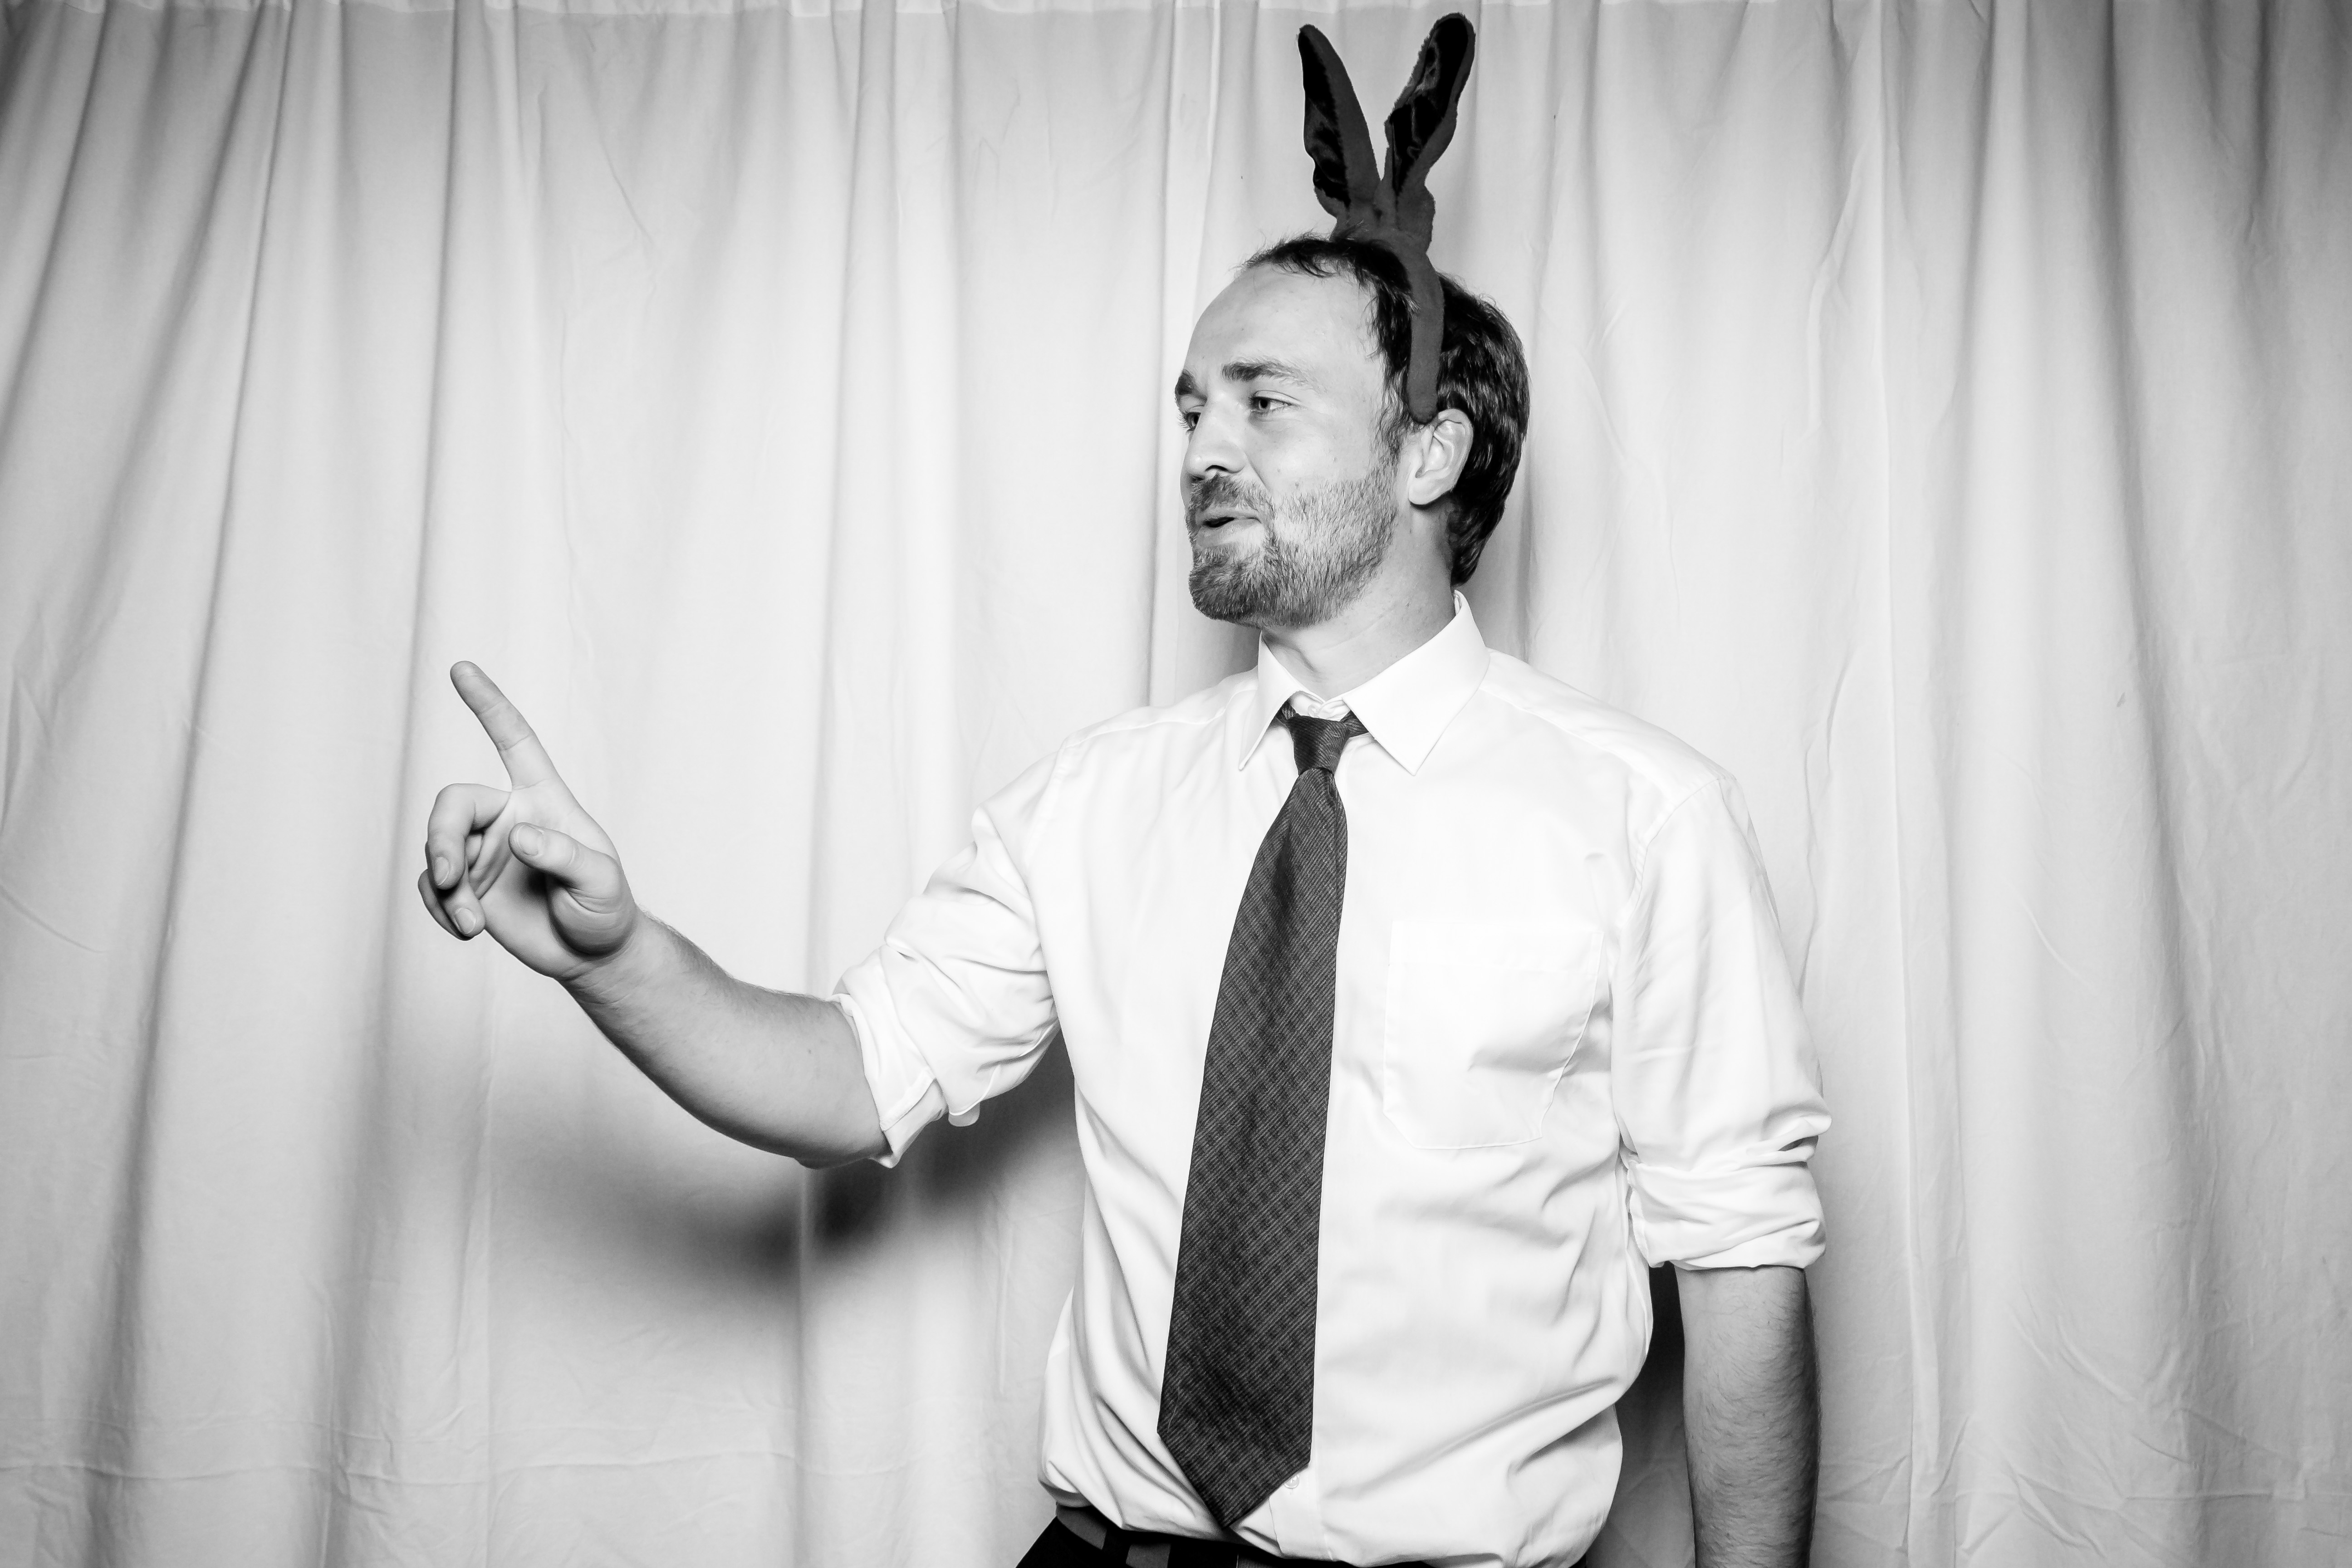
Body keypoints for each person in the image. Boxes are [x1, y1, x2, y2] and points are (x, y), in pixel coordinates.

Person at [418, 27, 1827, 1568]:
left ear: (1430, 454)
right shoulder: (1097, 802)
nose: (1203, 449)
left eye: (1263, 402)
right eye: (1192, 407)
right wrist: (614, 956)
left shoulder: (1646, 824)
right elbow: (846, 1077)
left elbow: (1743, 1275)